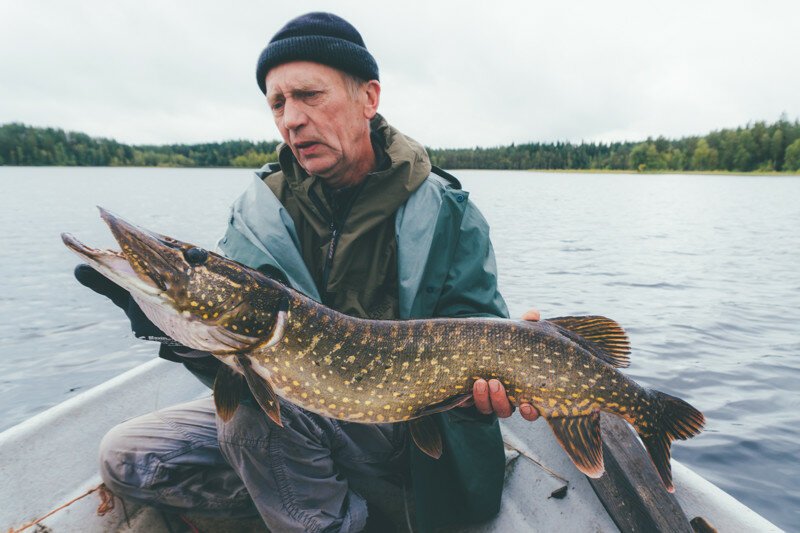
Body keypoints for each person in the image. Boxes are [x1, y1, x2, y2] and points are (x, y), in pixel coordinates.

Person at [75, 12, 540, 533]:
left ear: (369, 98)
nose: (291, 119)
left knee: (255, 425)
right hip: (298, 405)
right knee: (129, 456)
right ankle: (318, 501)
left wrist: (489, 392)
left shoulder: (450, 214)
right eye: (278, 103)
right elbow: (244, 360)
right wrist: (169, 326)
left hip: (405, 426)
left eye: (309, 95)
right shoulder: (257, 215)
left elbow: (474, 326)